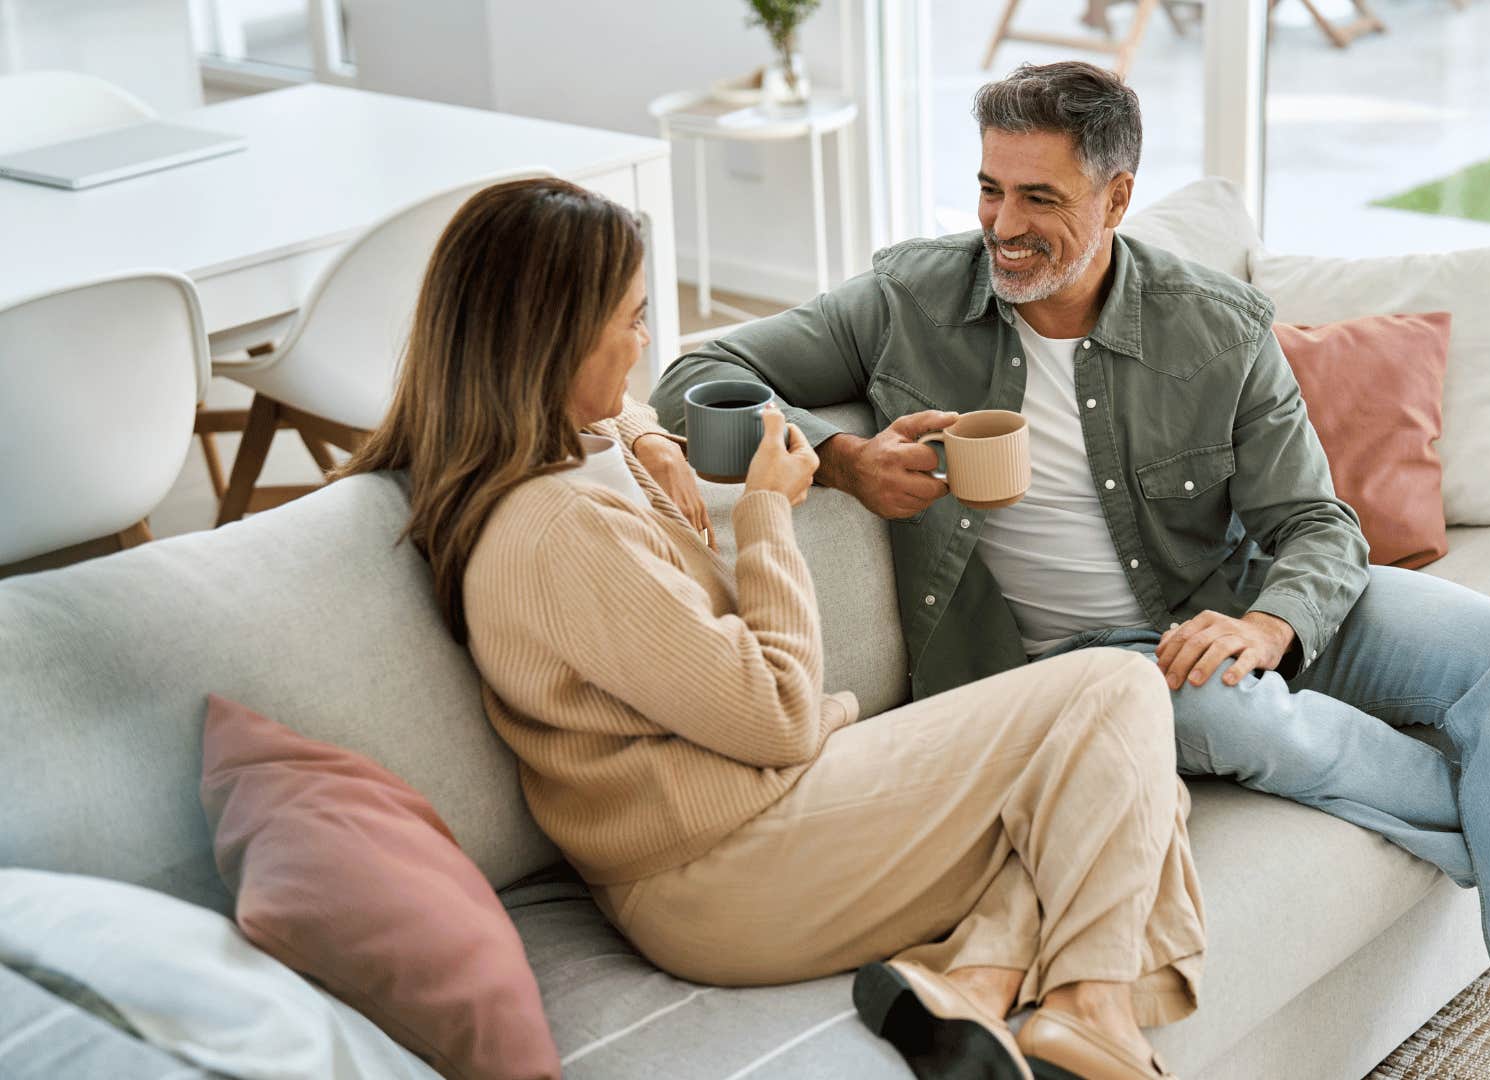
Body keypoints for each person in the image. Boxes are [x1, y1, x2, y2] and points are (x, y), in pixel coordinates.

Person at [650, 62, 1490, 1080]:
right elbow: (692, 375)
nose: (1003, 227)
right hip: (1076, 677)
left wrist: (1270, 627)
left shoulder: (1212, 327)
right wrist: (842, 461)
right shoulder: (908, 300)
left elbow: (1314, 523)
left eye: (1038, 197)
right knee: (1251, 719)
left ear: (1117, 197)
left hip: (1236, 598)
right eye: (988, 189)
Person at [336, 177, 1207, 1080]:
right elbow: (783, 715)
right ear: (549, 341)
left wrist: (651, 441)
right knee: (1119, 690)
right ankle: (1089, 1004)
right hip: (716, 873)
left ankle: (974, 993)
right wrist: (764, 514)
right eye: (632, 320)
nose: (647, 344)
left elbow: (627, 413)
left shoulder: (570, 441)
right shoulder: (554, 533)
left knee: (1121, 784)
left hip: (758, 821)